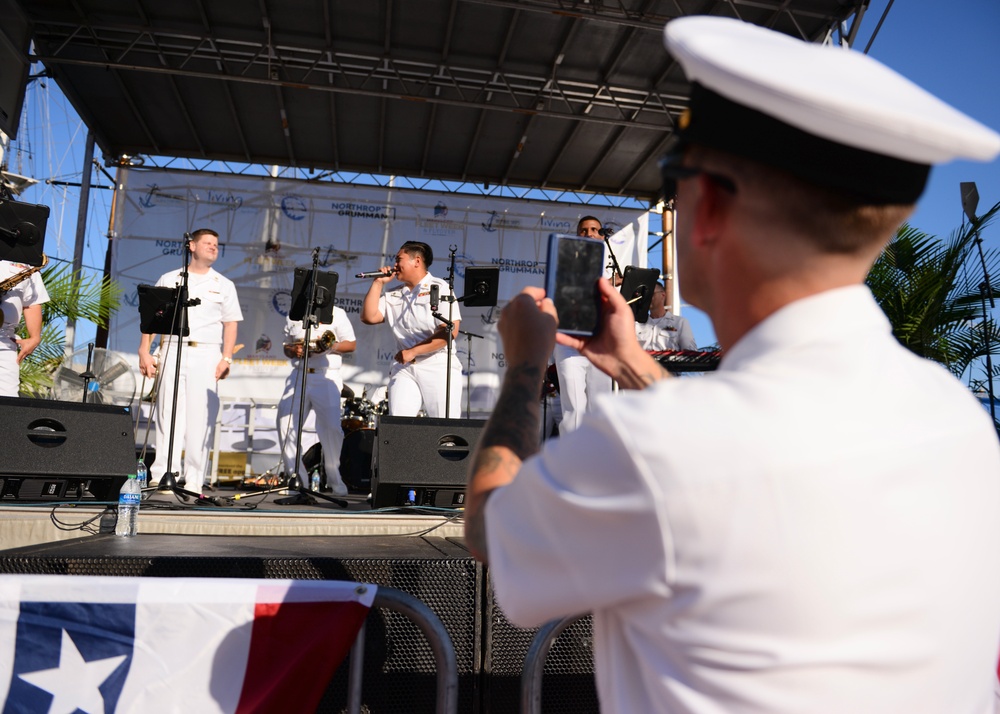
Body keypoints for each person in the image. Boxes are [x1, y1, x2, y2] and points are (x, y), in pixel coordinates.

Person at [465, 16, 1000, 714]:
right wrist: (630, 362)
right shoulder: (956, 421)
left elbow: (489, 528)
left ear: (708, 203)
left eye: (674, 181)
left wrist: (524, 368)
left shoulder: (655, 449)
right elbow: (744, 442)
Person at [138, 229, 242, 492]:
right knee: (167, 412)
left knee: (200, 417)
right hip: (173, 346)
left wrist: (226, 358)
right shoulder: (170, 278)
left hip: (207, 352)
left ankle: (194, 479)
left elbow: (230, 324)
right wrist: (144, 351)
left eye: (217, 245)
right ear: (191, 245)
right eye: (207, 243)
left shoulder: (224, 284)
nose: (213, 247)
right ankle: (162, 473)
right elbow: (152, 316)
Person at [361, 241, 462, 418]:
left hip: (437, 364)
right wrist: (378, 283)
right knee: (399, 424)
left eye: (399, 259)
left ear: (417, 261)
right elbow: (369, 317)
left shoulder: (439, 288)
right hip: (405, 366)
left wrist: (414, 351)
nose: (394, 265)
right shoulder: (394, 293)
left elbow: (449, 331)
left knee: (444, 426)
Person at [276, 307, 356, 495]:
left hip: (326, 376)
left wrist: (329, 346)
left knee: (331, 429)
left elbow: (351, 344)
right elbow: (286, 347)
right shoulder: (294, 314)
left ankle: (334, 476)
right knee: (284, 425)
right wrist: (293, 349)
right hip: (299, 374)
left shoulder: (337, 313)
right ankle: (298, 481)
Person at [553, 216, 614, 433]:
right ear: (577, 235)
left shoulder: (612, 272)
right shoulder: (563, 264)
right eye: (583, 230)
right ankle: (572, 462)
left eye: (594, 230)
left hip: (600, 343)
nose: (589, 234)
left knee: (601, 405)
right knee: (573, 409)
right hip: (570, 344)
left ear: (601, 235)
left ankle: (601, 460)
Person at [0, 258, 48, 397]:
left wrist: (34, 337)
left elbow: (32, 302)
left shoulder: (25, 259)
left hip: (5, 338)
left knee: (8, 402)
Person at [635, 281, 697, 351]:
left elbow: (690, 352)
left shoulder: (680, 322)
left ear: (663, 295)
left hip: (669, 361)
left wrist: (673, 355)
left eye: (652, 294)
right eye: (645, 295)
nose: (648, 298)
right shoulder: (637, 325)